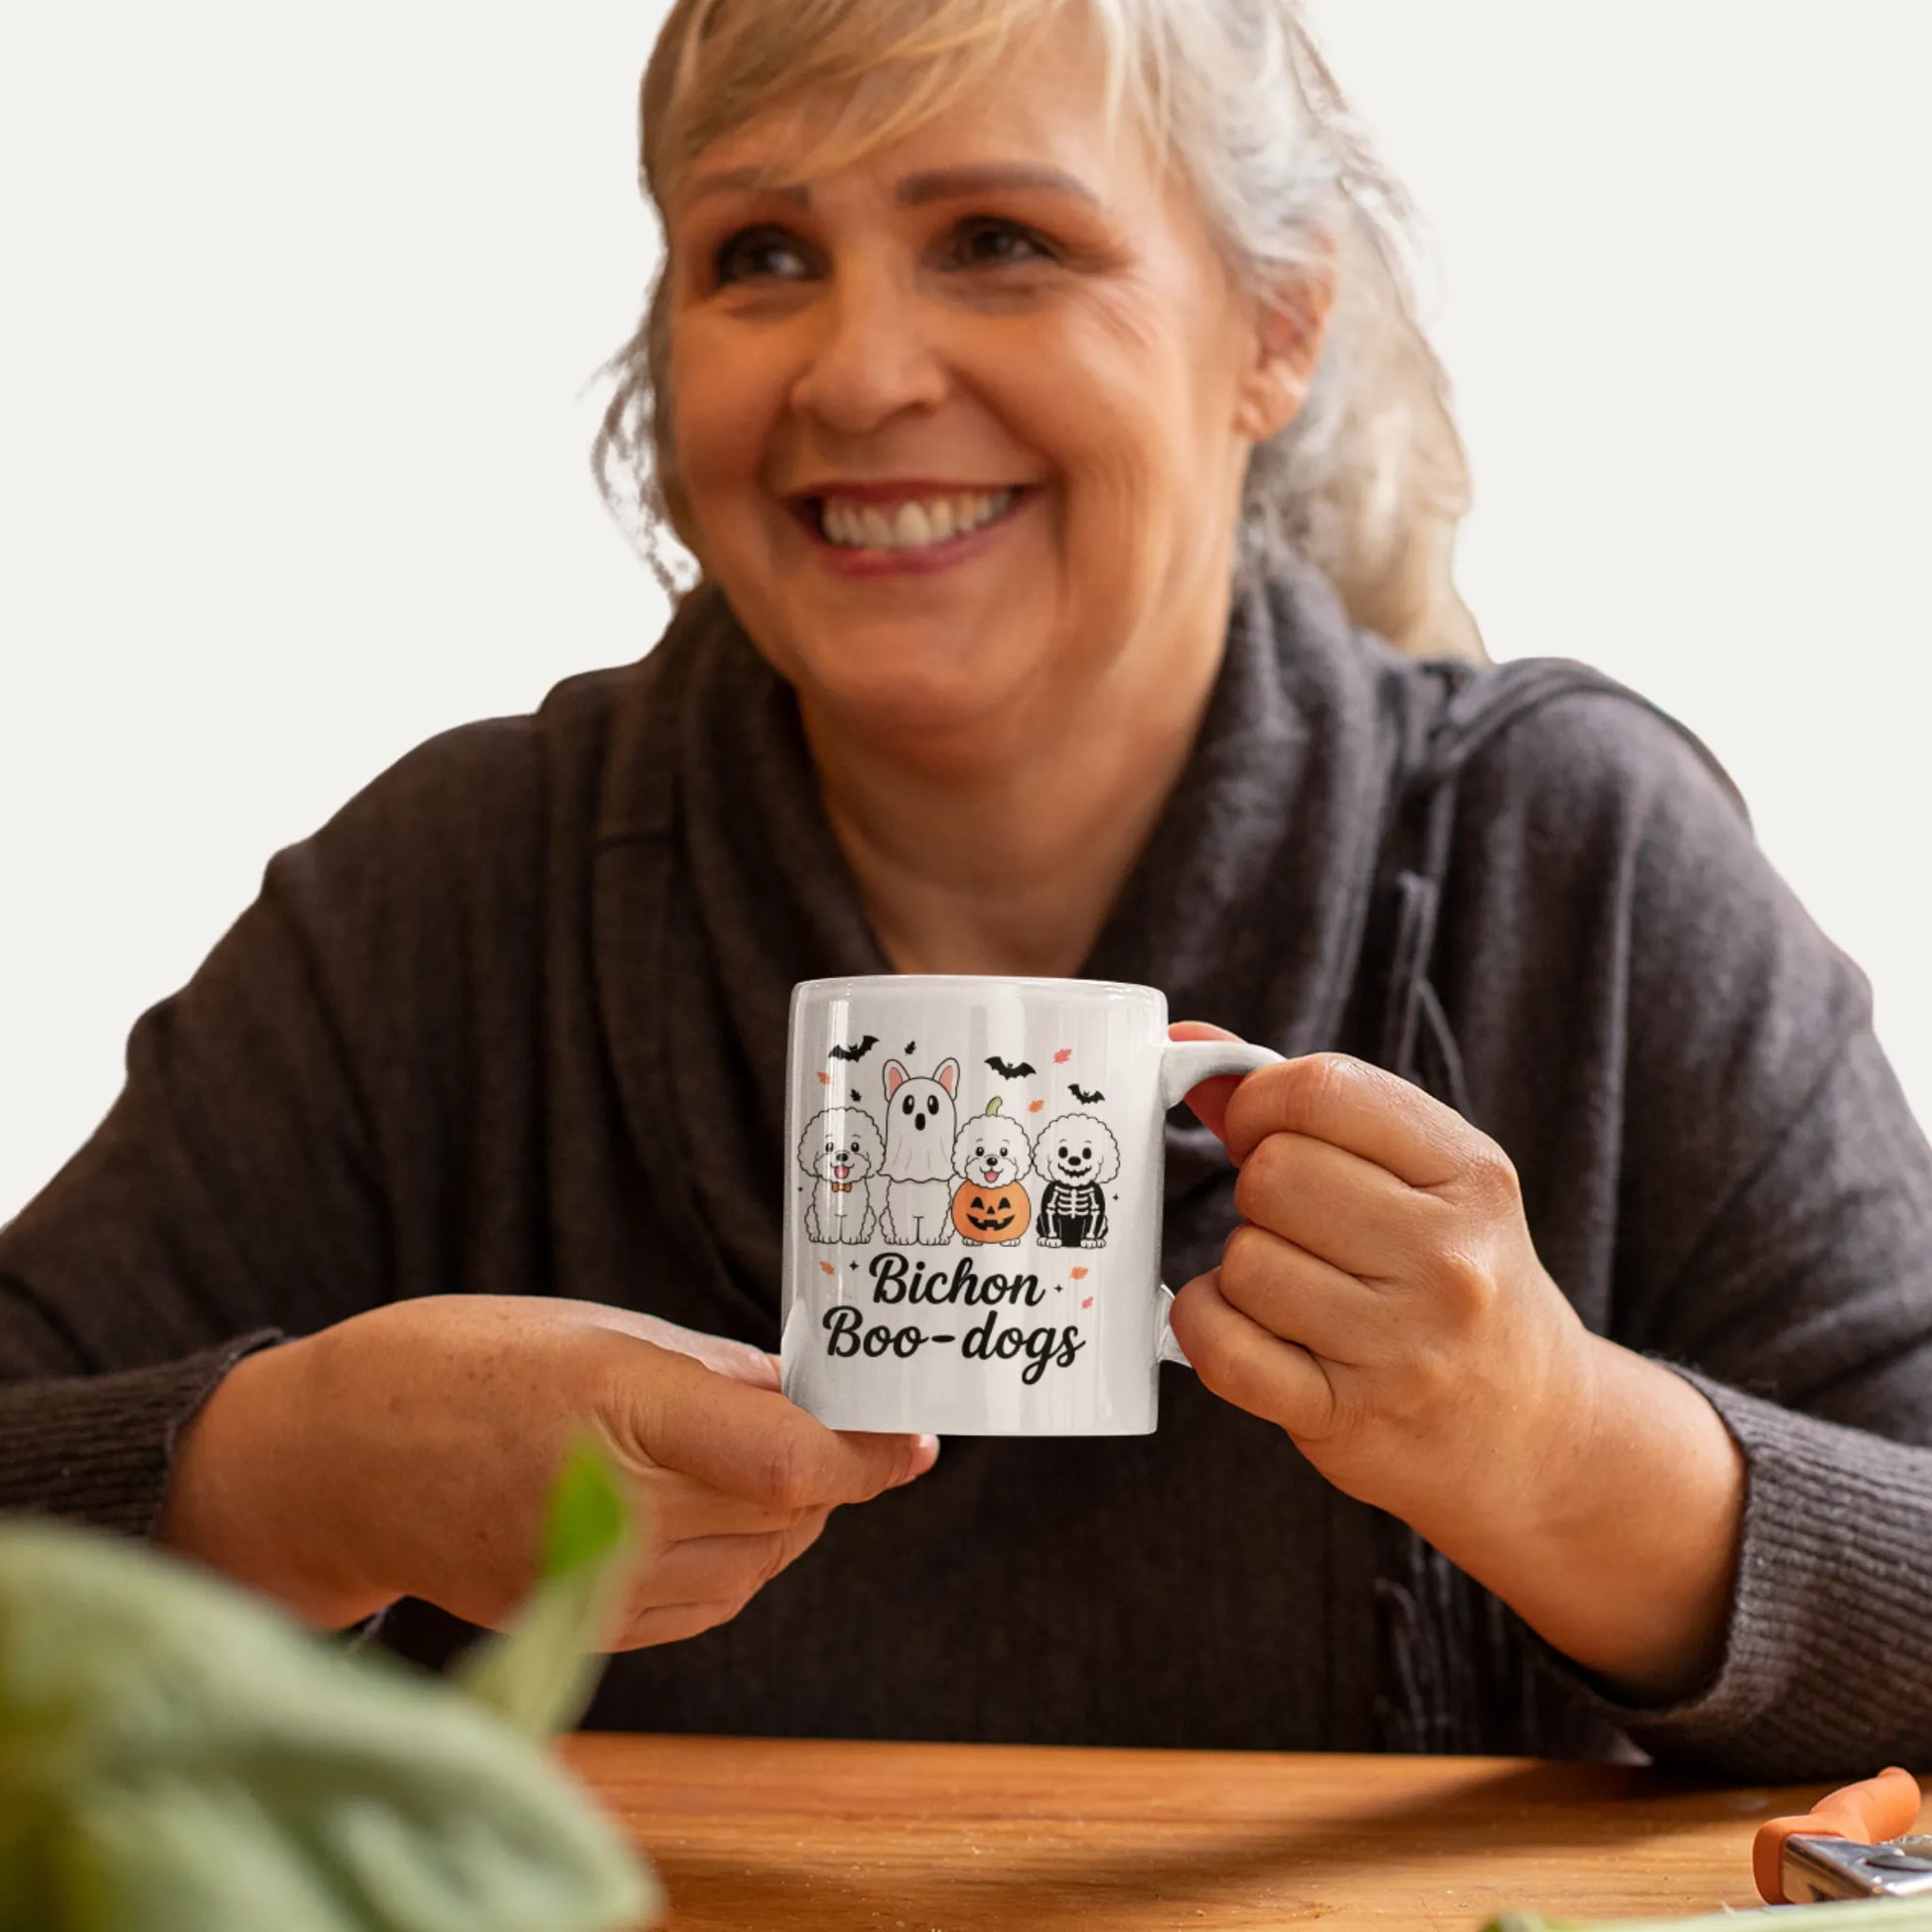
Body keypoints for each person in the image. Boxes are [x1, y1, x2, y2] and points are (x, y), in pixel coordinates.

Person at [3, 0, 1929, 1780]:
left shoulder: (1573, 870)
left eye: (1001, 239)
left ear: (1274, 328)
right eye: (760, 255)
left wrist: (1565, 1450)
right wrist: (285, 1479)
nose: (856, 374)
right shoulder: (445, 907)